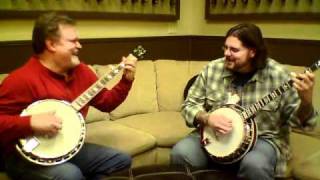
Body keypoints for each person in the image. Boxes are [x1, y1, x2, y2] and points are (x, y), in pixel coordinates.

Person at [171, 23, 318, 179]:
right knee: (182, 153)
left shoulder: (278, 75)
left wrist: (306, 102)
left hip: (261, 139)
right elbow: (189, 105)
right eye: (225, 47)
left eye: (234, 50)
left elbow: (303, 123)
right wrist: (208, 118)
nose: (227, 53)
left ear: (252, 52)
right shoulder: (212, 69)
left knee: (255, 165)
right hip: (213, 135)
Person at [0, 12, 137, 180]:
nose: (79, 45)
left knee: (119, 160)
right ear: (51, 44)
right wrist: (30, 122)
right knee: (70, 175)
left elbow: (106, 103)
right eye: (73, 41)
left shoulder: (82, 72)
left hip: (63, 147)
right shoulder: (21, 80)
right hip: (24, 155)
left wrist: (126, 80)